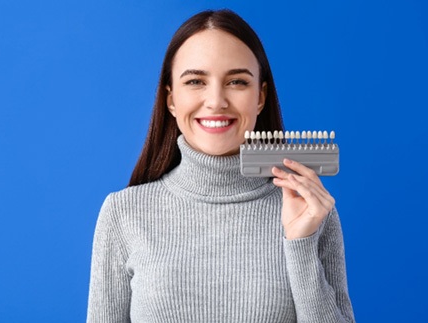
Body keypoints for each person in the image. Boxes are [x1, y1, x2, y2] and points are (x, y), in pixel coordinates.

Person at [87, 9, 355, 323]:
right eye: (196, 81)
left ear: (260, 97)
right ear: (171, 99)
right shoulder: (123, 213)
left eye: (237, 82)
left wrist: (300, 244)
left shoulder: (312, 212)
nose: (216, 101)